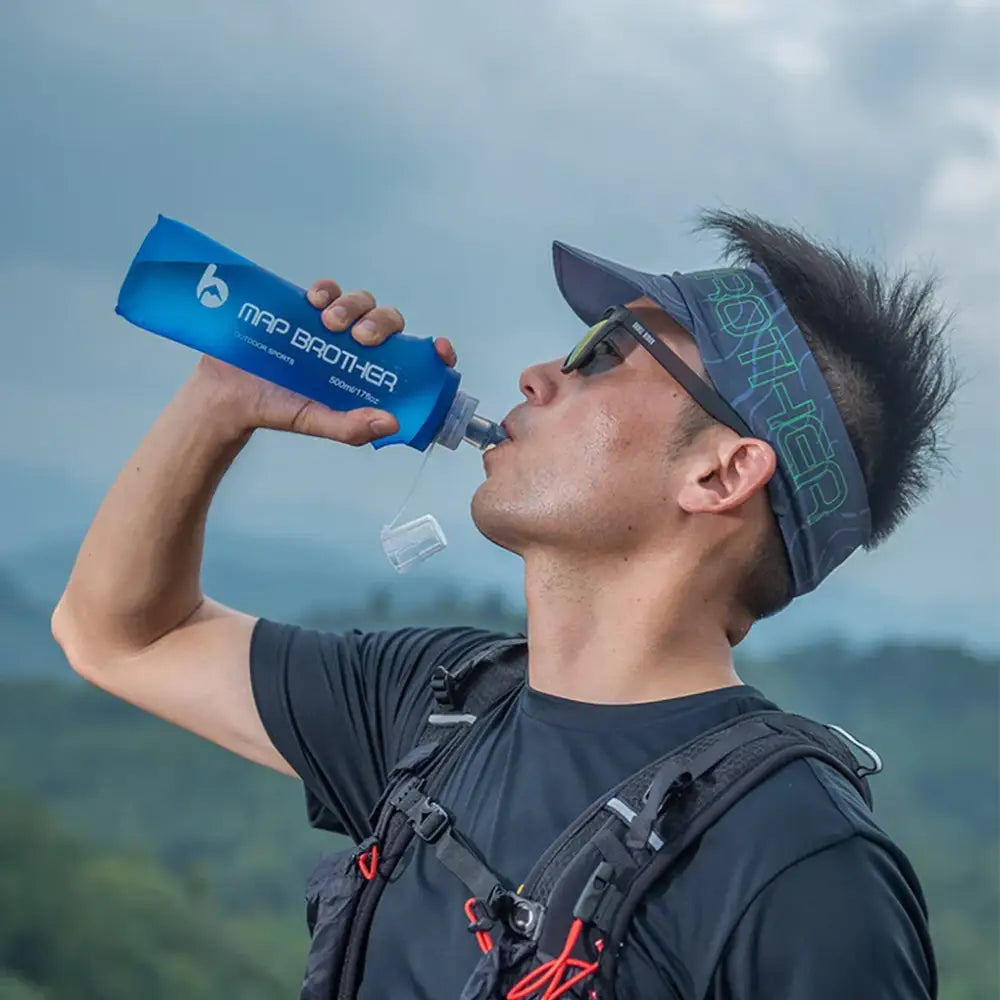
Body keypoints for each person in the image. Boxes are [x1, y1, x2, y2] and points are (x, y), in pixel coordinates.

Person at [52, 210, 957, 999]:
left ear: (720, 472)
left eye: (603, 353)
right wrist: (224, 400)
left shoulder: (803, 872)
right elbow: (122, 637)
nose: (536, 375)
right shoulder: (442, 705)